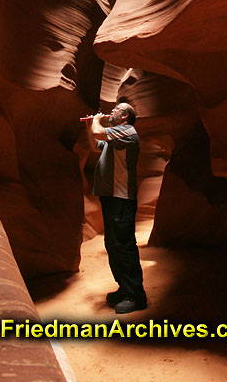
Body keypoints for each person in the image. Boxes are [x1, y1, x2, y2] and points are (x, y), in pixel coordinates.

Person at [86, 101, 147, 314]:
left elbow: (100, 134)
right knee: (113, 244)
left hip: (122, 198)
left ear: (125, 117)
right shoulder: (115, 136)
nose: (112, 112)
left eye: (116, 110)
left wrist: (95, 121)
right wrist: (89, 127)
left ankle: (136, 295)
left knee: (123, 245)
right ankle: (124, 288)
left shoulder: (127, 132)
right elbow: (96, 145)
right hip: (111, 197)